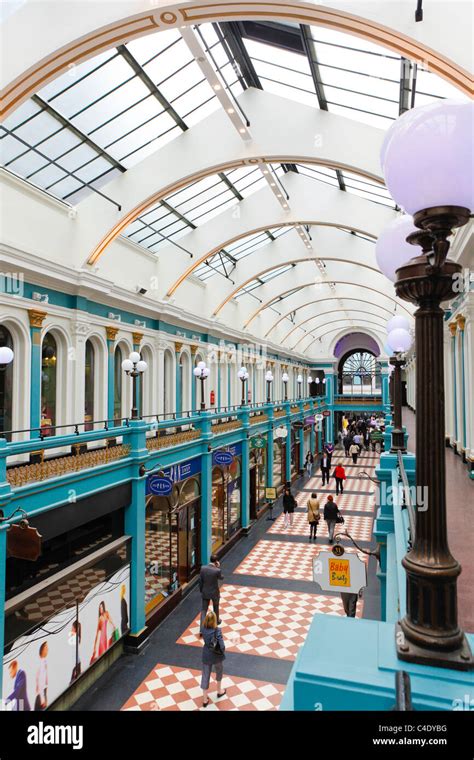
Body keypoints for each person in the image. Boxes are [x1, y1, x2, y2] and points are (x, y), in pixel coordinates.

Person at [201, 611, 226, 708]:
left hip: (206, 654)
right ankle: (219, 691)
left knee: (205, 675)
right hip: (216, 655)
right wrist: (222, 651)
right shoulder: (217, 630)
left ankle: (205, 699)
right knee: (219, 671)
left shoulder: (203, 629)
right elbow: (222, 645)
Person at [199, 554, 223, 630]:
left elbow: (200, 581)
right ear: (216, 561)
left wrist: (201, 590)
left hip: (205, 591)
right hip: (214, 593)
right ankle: (216, 622)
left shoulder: (203, 568)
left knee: (204, 610)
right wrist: (218, 567)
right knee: (216, 607)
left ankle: (201, 628)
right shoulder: (217, 570)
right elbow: (221, 578)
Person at [34, 641, 48, 710]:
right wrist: (43, 699)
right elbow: (40, 682)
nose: (47, 650)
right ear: (42, 650)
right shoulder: (41, 663)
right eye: (46, 648)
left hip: (41, 694)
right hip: (41, 695)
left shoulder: (43, 662)